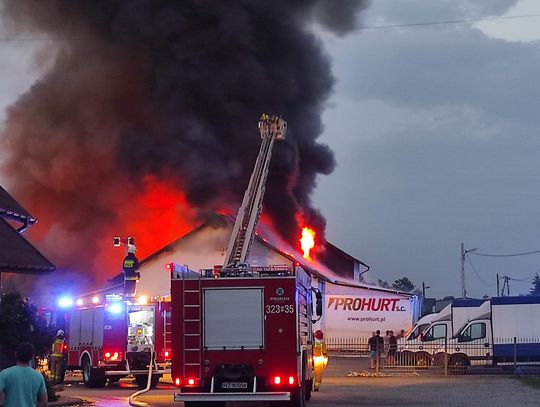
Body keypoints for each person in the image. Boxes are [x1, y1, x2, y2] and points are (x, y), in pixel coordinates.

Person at [0, 342, 47, 407]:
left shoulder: (5, 374)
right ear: (32, 357)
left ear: (16, 354)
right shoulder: (38, 376)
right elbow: (44, 402)